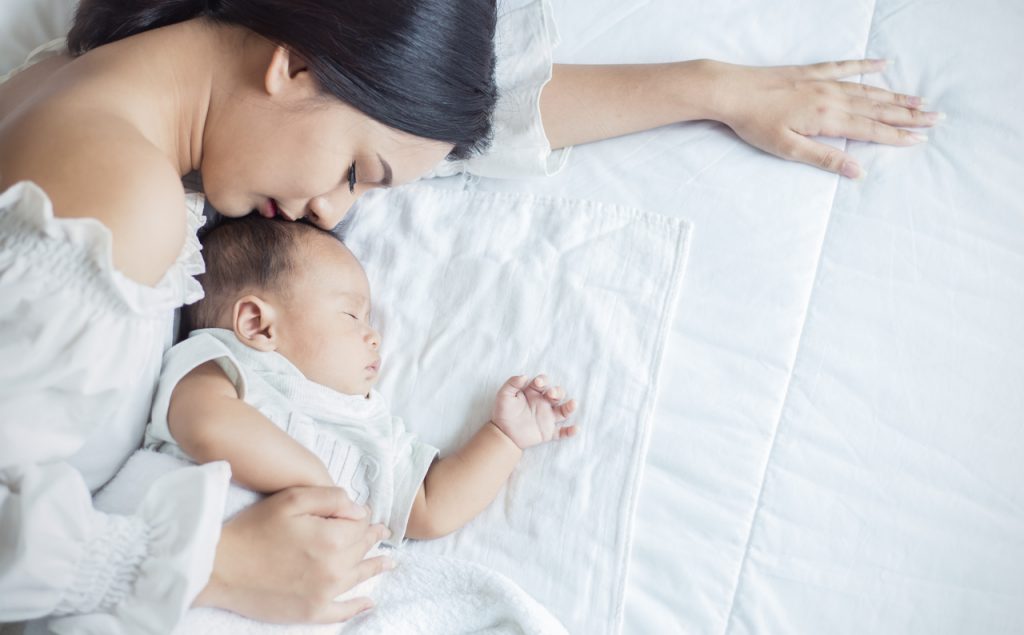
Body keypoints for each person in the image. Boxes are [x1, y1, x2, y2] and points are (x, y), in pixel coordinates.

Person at [0, 0, 940, 631]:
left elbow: (445, 128)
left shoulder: (83, 85)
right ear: (291, 66)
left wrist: (711, 89)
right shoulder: (113, 201)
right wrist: (208, 566)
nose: (334, 211)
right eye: (355, 175)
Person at [145, 213, 577, 552]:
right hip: (192, 549)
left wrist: (505, 437)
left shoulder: (370, 425)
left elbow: (430, 509)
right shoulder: (222, 362)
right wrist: (314, 480)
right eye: (352, 315)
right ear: (257, 324)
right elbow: (205, 423)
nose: (374, 336)